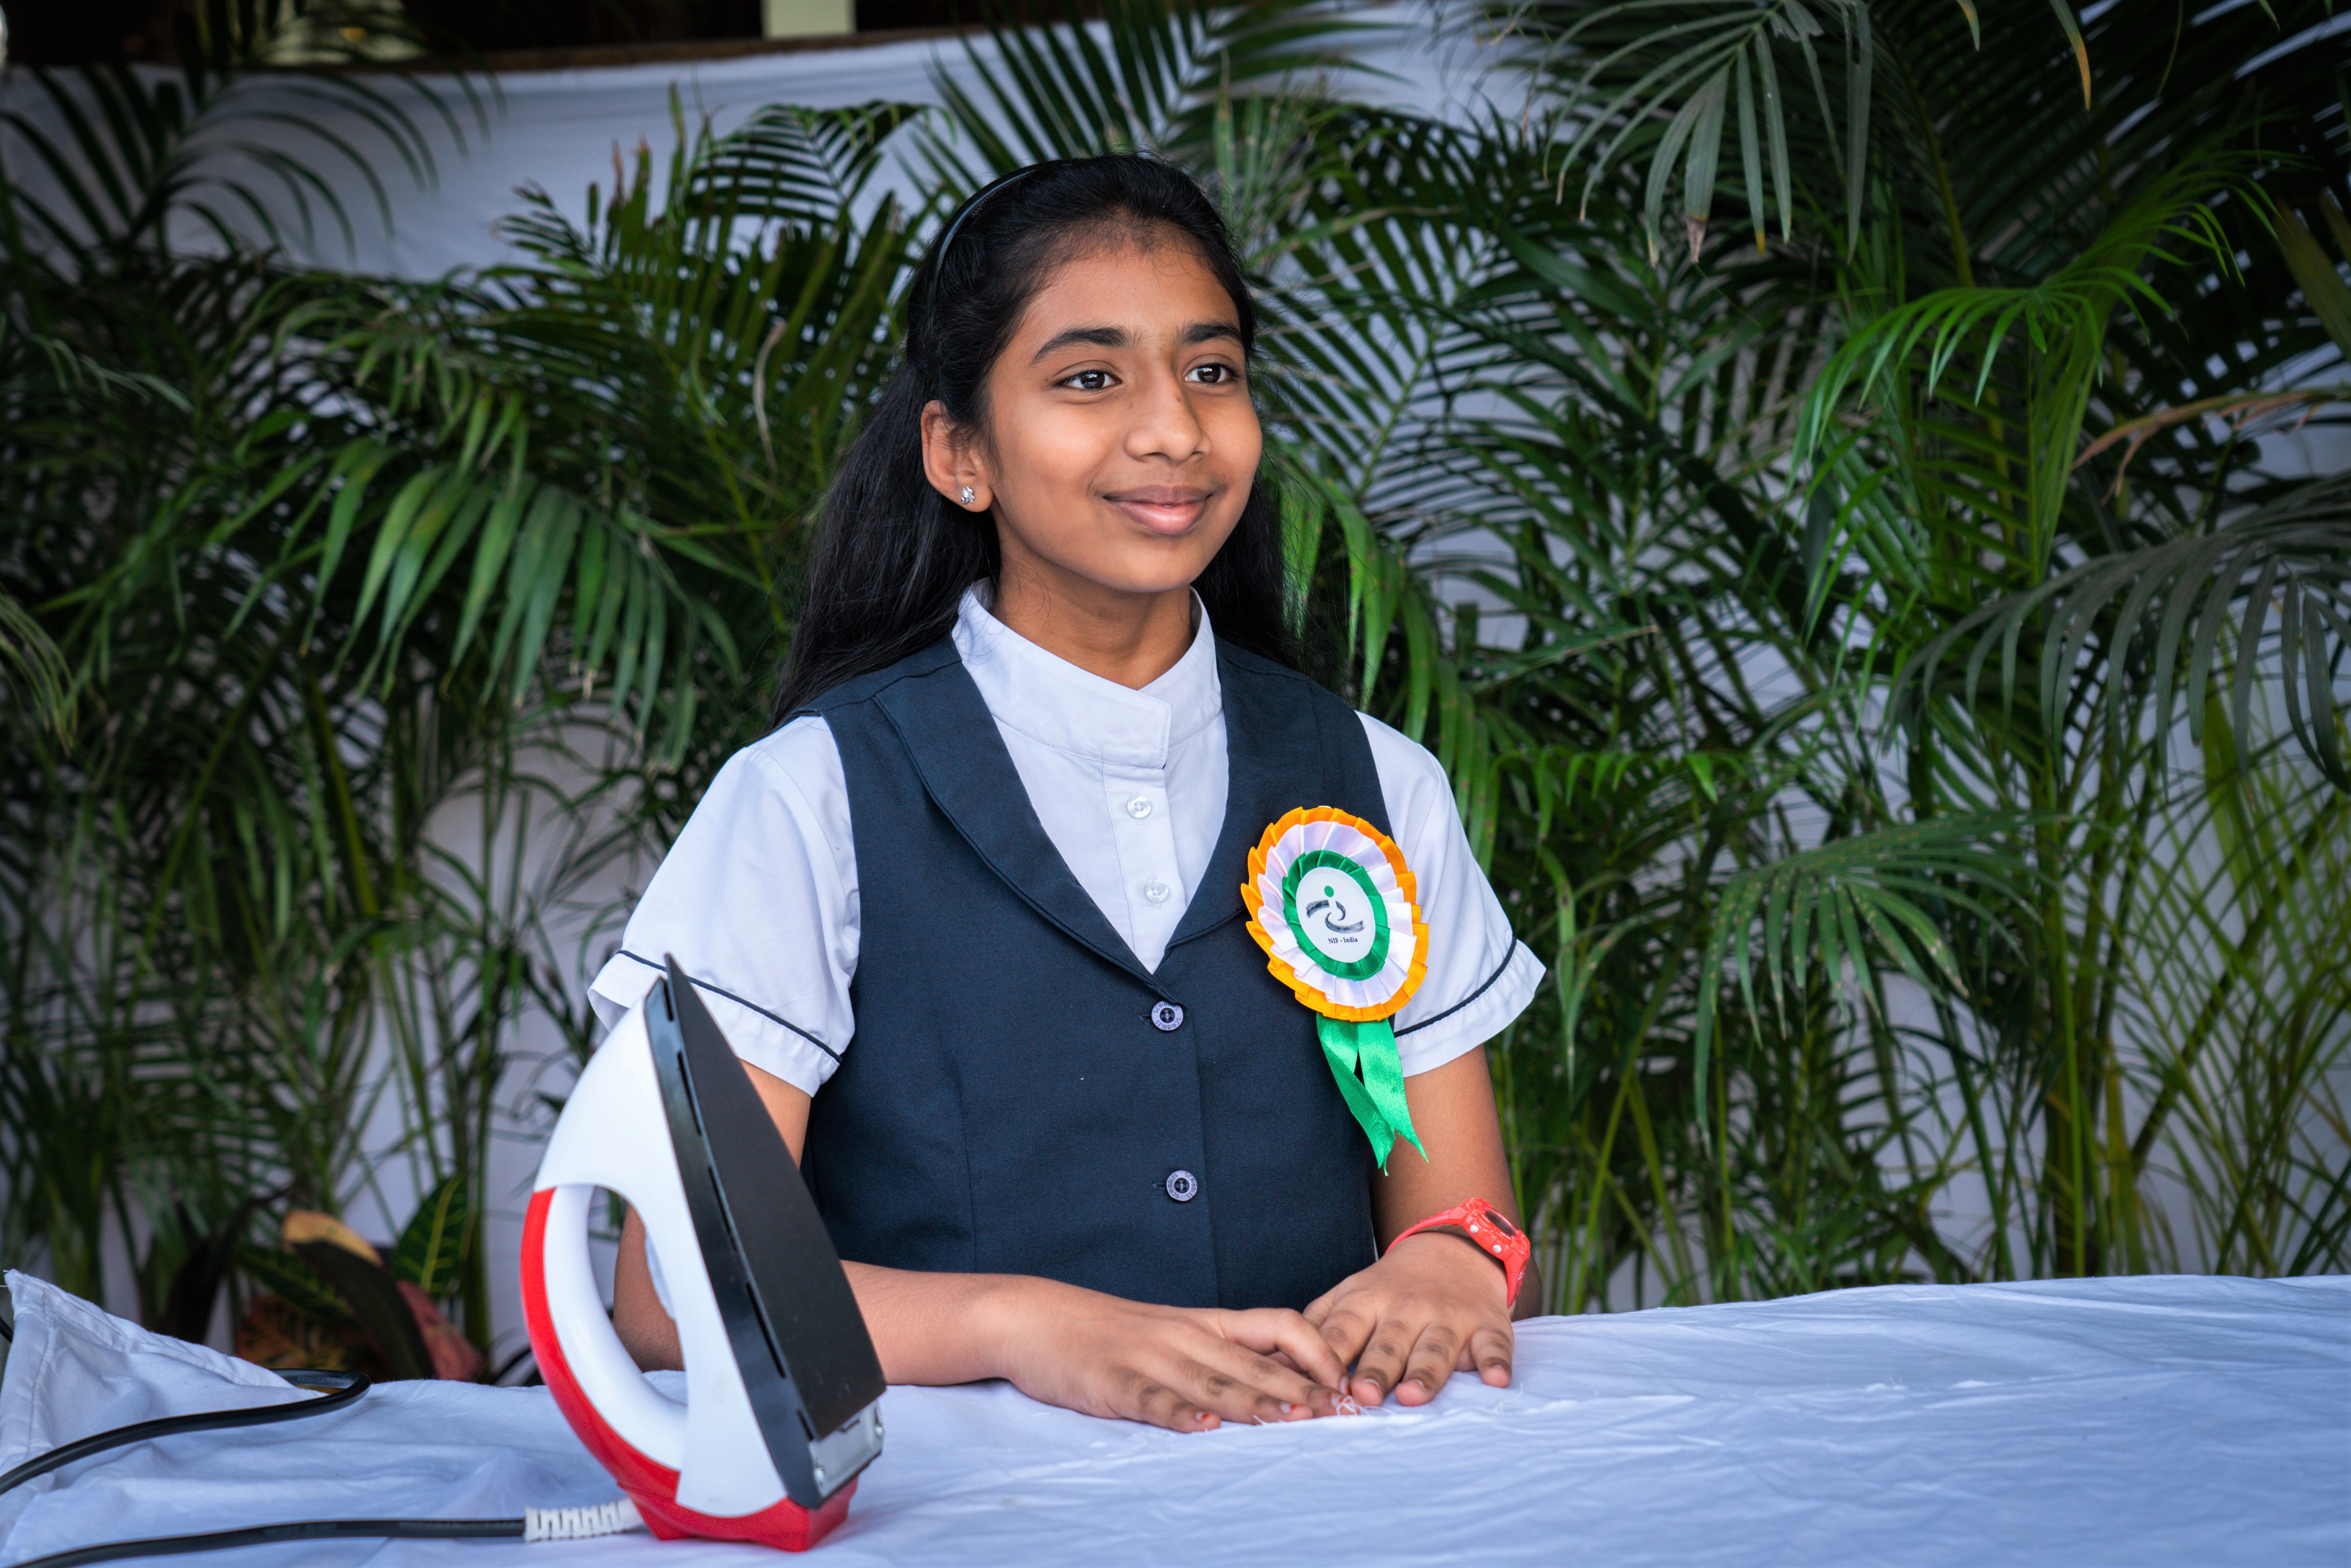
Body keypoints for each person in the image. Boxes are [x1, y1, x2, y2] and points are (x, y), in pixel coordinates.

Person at [588, 153, 1545, 1434]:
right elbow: (670, 1292)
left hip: (1324, 1496)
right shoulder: (810, 796)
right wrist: (1018, 1327)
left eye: (1212, 371)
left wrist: (1446, 1261)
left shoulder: (1377, 779)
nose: (1173, 428)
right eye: (1090, 378)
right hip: (961, 1509)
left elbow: (1460, 1218)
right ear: (958, 450)